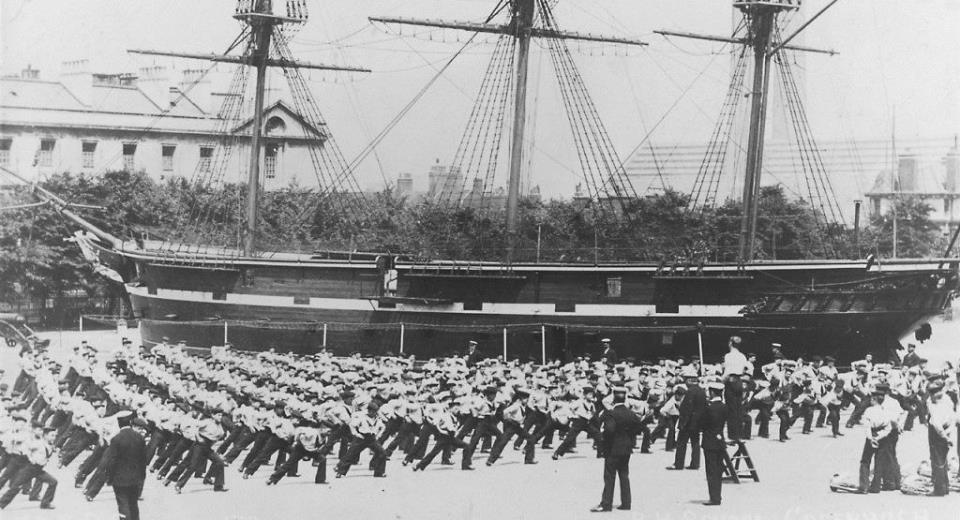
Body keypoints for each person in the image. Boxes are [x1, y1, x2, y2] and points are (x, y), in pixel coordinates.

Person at [591, 386, 641, 513]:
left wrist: (604, 440)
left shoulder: (611, 413)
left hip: (613, 448)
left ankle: (606, 504)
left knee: (609, 476)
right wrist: (629, 436)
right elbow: (638, 428)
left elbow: (609, 430)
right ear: (625, 397)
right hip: (626, 448)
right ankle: (626, 503)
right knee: (624, 475)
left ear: (613, 396)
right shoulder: (630, 413)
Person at [100, 410, 147, 520]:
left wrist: (109, 478)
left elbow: (111, 461)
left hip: (119, 478)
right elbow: (143, 459)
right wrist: (142, 476)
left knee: (123, 505)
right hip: (135, 478)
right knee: (133, 504)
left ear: (119, 424)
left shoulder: (116, 439)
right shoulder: (139, 437)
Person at [667, 370, 705, 470]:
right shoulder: (701, 391)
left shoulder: (690, 392)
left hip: (688, 423)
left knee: (681, 443)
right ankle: (695, 463)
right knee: (695, 443)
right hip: (697, 423)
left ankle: (678, 464)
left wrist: (682, 423)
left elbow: (687, 409)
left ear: (689, 380)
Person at [857, 387, 891, 494]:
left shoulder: (869, 411)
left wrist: (871, 438)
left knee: (865, 461)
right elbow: (888, 428)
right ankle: (876, 487)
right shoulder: (885, 411)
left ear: (874, 399)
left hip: (871, 435)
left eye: (871, 399)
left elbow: (867, 426)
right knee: (879, 461)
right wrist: (879, 436)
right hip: (882, 437)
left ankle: (864, 486)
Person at [700, 381, 728, 506]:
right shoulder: (724, 407)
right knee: (718, 470)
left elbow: (702, 424)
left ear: (712, 392)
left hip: (709, 441)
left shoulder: (708, 408)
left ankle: (714, 498)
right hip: (720, 440)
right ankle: (718, 496)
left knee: (711, 471)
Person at [925, 379, 954, 496]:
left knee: (937, 460)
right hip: (946, 430)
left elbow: (937, 425)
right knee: (943, 459)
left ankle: (939, 489)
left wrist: (945, 436)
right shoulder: (947, 401)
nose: (931, 395)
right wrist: (948, 434)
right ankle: (945, 487)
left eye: (933, 392)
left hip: (938, 433)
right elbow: (953, 419)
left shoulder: (934, 405)